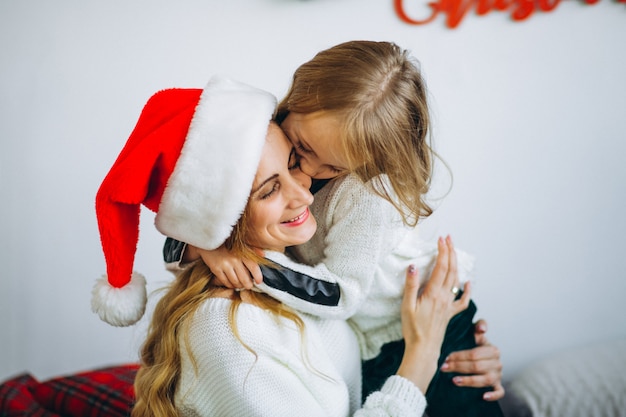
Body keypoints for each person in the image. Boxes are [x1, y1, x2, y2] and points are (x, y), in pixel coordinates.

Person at [92, 76, 470, 417]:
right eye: (269, 190)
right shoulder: (229, 332)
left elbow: (346, 303)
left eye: (292, 164)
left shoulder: (344, 206)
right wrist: (421, 359)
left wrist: (448, 347)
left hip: (423, 326)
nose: (305, 191)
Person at [167, 41, 504, 416]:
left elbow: (341, 294)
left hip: (412, 327)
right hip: (377, 336)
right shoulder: (262, 136)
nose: (308, 178)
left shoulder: (369, 195)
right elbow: (187, 211)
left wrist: (252, 268)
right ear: (295, 99)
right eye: (301, 149)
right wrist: (211, 245)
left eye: (333, 170)